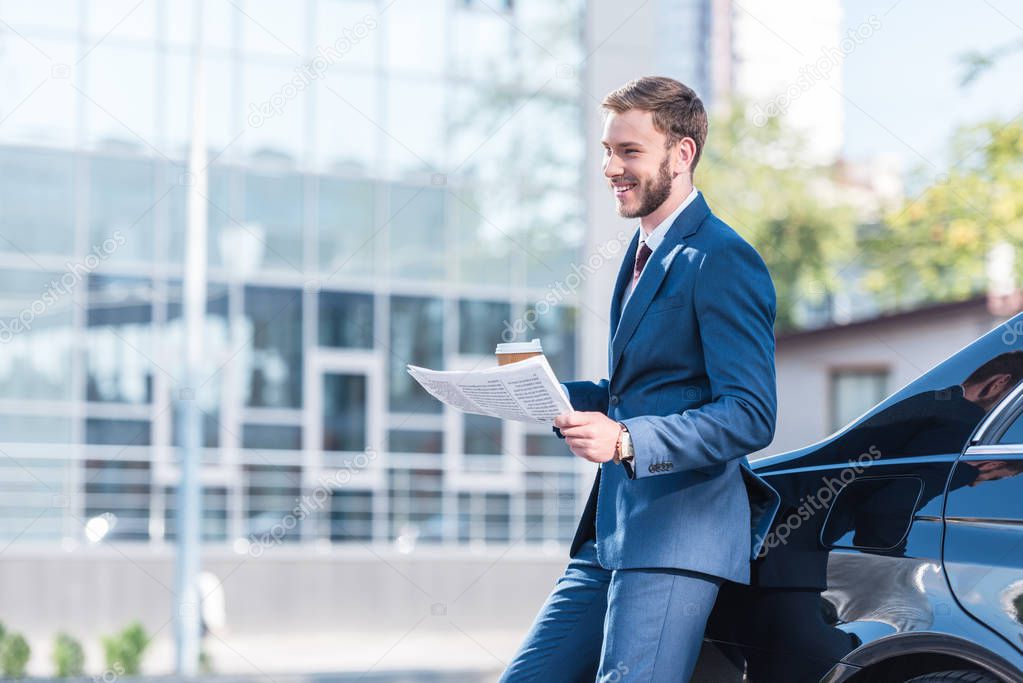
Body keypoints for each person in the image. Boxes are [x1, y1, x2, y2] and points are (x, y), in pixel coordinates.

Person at [500, 76, 782, 682]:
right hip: (610, 533)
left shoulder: (721, 257)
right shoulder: (641, 253)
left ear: (681, 155)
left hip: (677, 535)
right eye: (607, 150)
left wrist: (627, 441)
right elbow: (644, 391)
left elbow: (750, 413)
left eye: (629, 151)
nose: (610, 167)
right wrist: (546, 394)